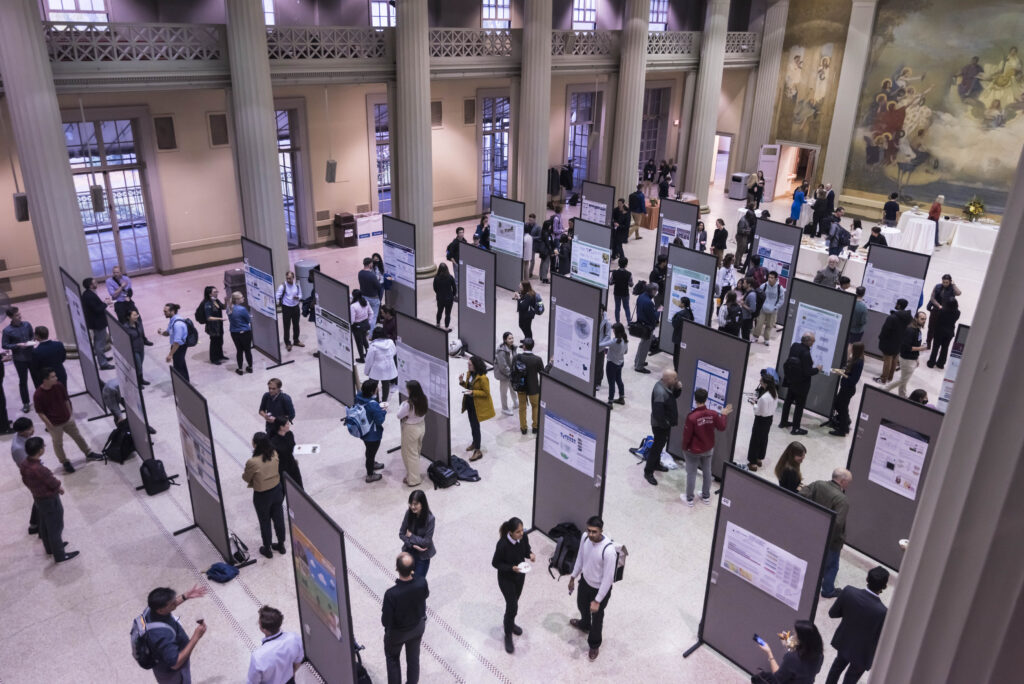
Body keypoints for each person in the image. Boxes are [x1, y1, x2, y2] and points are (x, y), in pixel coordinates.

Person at [824, 566, 890, 684]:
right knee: (851, 679)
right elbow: (881, 638)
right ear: (884, 587)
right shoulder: (883, 612)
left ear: (867, 579)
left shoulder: (849, 591)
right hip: (863, 653)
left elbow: (832, 613)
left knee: (837, 667)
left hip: (844, 642)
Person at [19, 436, 79, 563]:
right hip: (49, 499)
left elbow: (24, 480)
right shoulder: (40, 469)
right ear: (40, 450)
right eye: (43, 446)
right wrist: (59, 488)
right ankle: (60, 555)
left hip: (38, 498)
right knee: (56, 527)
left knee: (45, 524)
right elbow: (52, 482)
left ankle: (50, 548)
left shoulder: (24, 464)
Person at [34, 368, 102, 472]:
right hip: (54, 424)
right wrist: (49, 424)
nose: (56, 378)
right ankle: (64, 461)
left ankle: (88, 453)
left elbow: (66, 400)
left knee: (78, 436)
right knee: (58, 443)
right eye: (53, 377)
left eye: (55, 376)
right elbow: (40, 412)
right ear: (45, 380)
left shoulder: (59, 386)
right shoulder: (38, 394)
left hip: (67, 419)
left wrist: (70, 415)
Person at [568, 516, 616, 661]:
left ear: (601, 531)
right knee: (582, 606)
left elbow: (608, 579)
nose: (590, 534)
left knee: (597, 618)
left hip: (599, 590)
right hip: (585, 583)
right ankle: (584, 623)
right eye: (588, 530)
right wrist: (573, 577)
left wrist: (597, 600)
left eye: (594, 532)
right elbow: (580, 559)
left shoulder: (609, 551)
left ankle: (594, 644)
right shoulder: (585, 538)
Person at [802, 468, 853, 598]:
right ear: (842, 481)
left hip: (810, 532)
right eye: (848, 482)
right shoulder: (842, 500)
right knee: (832, 566)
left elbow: (801, 496)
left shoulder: (818, 484)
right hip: (830, 542)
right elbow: (837, 525)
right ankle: (828, 590)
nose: (849, 485)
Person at [142, 585, 208, 683]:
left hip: (164, 659)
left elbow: (169, 604)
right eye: (172, 603)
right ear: (160, 610)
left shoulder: (150, 609)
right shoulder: (162, 635)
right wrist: (196, 637)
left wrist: (185, 596)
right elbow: (175, 663)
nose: (175, 603)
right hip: (172, 674)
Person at [382, 552, 429, 684]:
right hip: (417, 628)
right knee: (413, 660)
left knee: (393, 659)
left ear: (397, 569)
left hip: (398, 634)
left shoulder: (391, 594)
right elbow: (425, 596)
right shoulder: (422, 582)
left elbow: (385, 621)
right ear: (413, 569)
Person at [681, 388, 734, 505]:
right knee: (707, 472)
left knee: (691, 473)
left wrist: (684, 447)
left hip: (693, 451)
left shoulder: (692, 417)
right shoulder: (713, 414)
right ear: (706, 399)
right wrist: (723, 415)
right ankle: (706, 497)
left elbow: (687, 436)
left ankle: (689, 499)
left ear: (695, 399)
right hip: (708, 449)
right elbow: (722, 427)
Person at [491, 516, 535, 654]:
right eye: (518, 532)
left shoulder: (523, 537)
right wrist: (511, 568)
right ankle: (508, 633)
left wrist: (530, 554)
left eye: (522, 530)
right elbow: (495, 563)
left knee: (514, 603)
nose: (521, 534)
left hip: (520, 576)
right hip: (506, 579)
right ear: (510, 532)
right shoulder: (502, 544)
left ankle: (511, 622)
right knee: (512, 606)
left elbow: (526, 549)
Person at [242, 433, 286, 559]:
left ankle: (267, 549)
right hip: (277, 490)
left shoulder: (253, 462)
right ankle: (281, 545)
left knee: (264, 521)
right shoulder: (274, 453)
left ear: (256, 444)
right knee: (279, 518)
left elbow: (246, 478)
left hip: (262, 495)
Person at [246, 605, 304, 684]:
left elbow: (252, 682)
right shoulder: (294, 638)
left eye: (259, 624)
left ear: (264, 630)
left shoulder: (258, 657)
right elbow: (298, 661)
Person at [755, 619, 825, 684]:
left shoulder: (791, 658)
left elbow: (777, 679)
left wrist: (769, 652)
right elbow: (812, 671)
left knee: (758, 678)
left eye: (795, 635)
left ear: (802, 640)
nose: (793, 636)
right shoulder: (819, 655)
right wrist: (788, 646)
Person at [644, 368, 682, 486]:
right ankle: (648, 471)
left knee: (660, 444)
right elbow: (657, 413)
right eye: (675, 378)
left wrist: (679, 388)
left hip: (664, 424)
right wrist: (666, 423)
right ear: (668, 379)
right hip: (659, 426)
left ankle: (656, 464)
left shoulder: (667, 385)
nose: (677, 380)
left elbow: (672, 397)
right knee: (657, 446)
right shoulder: (660, 392)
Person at [779, 332, 822, 435]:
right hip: (801, 384)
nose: (814, 342)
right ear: (808, 341)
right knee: (799, 406)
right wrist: (817, 369)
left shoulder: (794, 346)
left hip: (791, 380)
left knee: (788, 401)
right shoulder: (806, 354)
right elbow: (807, 372)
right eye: (813, 340)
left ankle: (783, 422)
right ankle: (796, 428)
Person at [458, 355, 494, 462]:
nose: (468, 366)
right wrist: (461, 382)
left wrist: (473, 392)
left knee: (476, 427)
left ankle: (478, 450)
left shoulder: (483, 378)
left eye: (470, 364)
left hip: (477, 406)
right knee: (472, 425)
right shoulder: (470, 374)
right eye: (468, 364)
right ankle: (474, 442)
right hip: (469, 403)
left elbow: (486, 393)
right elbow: (469, 387)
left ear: (475, 365)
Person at [885, 310, 927, 398]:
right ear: (916, 318)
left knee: (905, 379)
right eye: (922, 319)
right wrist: (922, 348)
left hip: (912, 359)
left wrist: (917, 357)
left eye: (925, 319)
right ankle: (884, 389)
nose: (924, 321)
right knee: (903, 380)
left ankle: (902, 395)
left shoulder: (918, 329)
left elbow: (916, 344)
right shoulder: (910, 331)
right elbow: (906, 347)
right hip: (907, 360)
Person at [3, 307, 39, 408]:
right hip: (20, 359)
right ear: (11, 317)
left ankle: (40, 400)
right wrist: (17, 345)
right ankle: (26, 403)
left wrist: (32, 341)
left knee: (36, 378)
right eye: (17, 315)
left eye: (19, 314)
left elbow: (32, 336)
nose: (20, 316)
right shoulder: (7, 331)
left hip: (31, 355)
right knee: (23, 381)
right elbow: (5, 345)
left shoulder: (27, 325)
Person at [828, 342, 865, 437]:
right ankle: (845, 422)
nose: (851, 349)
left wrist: (842, 374)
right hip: (846, 388)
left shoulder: (858, 362)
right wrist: (839, 371)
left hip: (848, 389)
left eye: (853, 348)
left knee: (841, 407)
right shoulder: (856, 359)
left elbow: (853, 379)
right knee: (838, 405)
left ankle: (843, 430)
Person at [355, 379, 387, 483]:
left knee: (369, 451)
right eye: (376, 388)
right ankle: (370, 474)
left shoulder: (358, 397)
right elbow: (379, 420)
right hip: (372, 434)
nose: (378, 389)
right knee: (370, 453)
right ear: (372, 391)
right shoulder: (373, 405)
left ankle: (372, 463)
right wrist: (383, 411)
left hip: (363, 431)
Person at [397, 381, 428, 486]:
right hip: (421, 426)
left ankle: (414, 479)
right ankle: (411, 475)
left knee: (409, 454)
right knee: (416, 451)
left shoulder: (408, 404)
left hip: (410, 429)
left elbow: (399, 415)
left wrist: (403, 404)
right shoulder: (424, 399)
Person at [11, 417, 39, 533]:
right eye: (30, 429)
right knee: (40, 499)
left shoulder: (24, 437)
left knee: (38, 499)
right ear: (21, 432)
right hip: (32, 476)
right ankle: (34, 526)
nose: (33, 430)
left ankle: (34, 525)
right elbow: (27, 467)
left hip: (35, 471)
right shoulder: (18, 448)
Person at [80, 278, 115, 371]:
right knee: (99, 343)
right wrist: (105, 303)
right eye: (94, 282)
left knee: (99, 341)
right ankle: (103, 363)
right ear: (90, 285)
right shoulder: (89, 296)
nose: (97, 283)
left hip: (96, 322)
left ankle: (102, 357)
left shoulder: (88, 293)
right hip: (97, 323)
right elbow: (97, 309)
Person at [747, 371, 779, 471]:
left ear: (765, 383)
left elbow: (759, 412)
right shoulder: (774, 394)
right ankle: (759, 458)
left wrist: (754, 404)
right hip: (769, 420)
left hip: (761, 420)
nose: (760, 382)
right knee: (763, 439)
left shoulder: (764, 398)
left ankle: (752, 463)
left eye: (761, 381)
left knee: (755, 440)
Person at [400, 490, 436, 578]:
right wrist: (413, 546)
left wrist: (411, 536)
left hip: (423, 556)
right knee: (407, 579)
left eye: (415, 504)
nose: (412, 507)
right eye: (410, 504)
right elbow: (401, 533)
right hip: (409, 551)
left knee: (418, 581)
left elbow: (427, 542)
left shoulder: (430, 519)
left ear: (422, 503)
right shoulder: (408, 513)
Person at [875, 299, 910, 384]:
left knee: (887, 360)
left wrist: (881, 338)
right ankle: (890, 377)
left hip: (889, 342)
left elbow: (885, 330)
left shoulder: (892, 317)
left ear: (898, 305)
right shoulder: (908, 317)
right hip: (899, 342)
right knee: (894, 359)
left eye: (896, 303)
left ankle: (883, 379)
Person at [515, 338, 544, 435]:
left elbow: (513, 372)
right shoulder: (537, 359)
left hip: (521, 387)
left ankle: (523, 429)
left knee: (522, 407)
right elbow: (543, 374)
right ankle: (535, 427)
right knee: (535, 406)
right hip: (534, 387)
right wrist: (551, 364)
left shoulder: (517, 357)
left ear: (524, 346)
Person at [926, 274, 962, 348]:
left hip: (946, 312)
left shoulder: (952, 288)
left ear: (950, 282)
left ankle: (939, 345)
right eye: (943, 282)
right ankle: (928, 343)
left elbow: (959, 293)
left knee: (942, 329)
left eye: (946, 282)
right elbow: (932, 298)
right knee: (931, 327)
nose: (945, 284)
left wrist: (954, 284)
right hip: (936, 309)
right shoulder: (937, 286)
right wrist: (939, 305)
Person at [157, 303, 189, 381]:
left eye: (166, 311)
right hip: (176, 346)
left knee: (178, 367)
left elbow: (177, 342)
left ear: (172, 311)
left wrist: (170, 355)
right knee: (181, 365)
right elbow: (168, 333)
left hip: (179, 347)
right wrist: (161, 332)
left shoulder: (177, 324)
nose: (164, 313)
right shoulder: (172, 320)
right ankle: (186, 381)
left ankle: (183, 385)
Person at [752, 271, 785, 346]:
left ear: (776, 279)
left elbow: (781, 300)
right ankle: (755, 336)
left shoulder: (780, 288)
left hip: (773, 310)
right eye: (769, 277)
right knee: (759, 324)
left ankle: (766, 339)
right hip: (763, 309)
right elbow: (759, 295)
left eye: (772, 278)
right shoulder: (764, 286)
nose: (770, 279)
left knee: (769, 326)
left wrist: (776, 307)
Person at [365, 328, 399, 402]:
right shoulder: (390, 342)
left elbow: (369, 360)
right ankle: (384, 401)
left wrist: (367, 371)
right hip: (388, 367)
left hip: (377, 368)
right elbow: (394, 352)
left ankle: (376, 401)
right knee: (386, 385)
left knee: (373, 385)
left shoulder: (373, 346)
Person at [633, 283, 660, 373]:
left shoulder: (641, 296)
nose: (656, 292)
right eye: (656, 290)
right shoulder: (648, 302)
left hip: (641, 323)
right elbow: (653, 317)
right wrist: (658, 311)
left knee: (642, 344)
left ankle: (637, 361)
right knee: (645, 346)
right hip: (647, 327)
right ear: (652, 291)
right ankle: (639, 366)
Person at [269, 417, 302, 489]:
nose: (289, 425)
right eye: (287, 424)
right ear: (281, 427)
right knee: (285, 488)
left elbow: (292, 446)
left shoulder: (289, 434)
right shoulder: (274, 441)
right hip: (282, 468)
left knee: (299, 486)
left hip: (292, 464)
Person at [275, 270, 303, 351]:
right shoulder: (282, 286)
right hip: (286, 308)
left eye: (290, 278)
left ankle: (296, 340)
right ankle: (287, 343)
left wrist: (298, 297)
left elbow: (301, 294)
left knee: (296, 325)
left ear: (293, 278)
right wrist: (277, 303)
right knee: (287, 326)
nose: (288, 280)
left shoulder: (297, 285)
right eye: (287, 278)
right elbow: (277, 296)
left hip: (295, 307)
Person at [928, 298, 959, 369]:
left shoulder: (942, 311)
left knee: (935, 347)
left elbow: (937, 319)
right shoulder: (958, 312)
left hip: (939, 331)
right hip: (949, 332)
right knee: (945, 348)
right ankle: (941, 364)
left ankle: (931, 363)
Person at [228, 291, 254, 375]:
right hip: (245, 332)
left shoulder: (229, 308)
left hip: (234, 333)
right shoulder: (242, 309)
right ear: (237, 300)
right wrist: (249, 317)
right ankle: (250, 368)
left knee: (239, 351)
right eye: (242, 297)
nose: (244, 298)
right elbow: (248, 320)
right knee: (247, 350)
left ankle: (240, 369)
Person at [494, 332, 519, 416]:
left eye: (512, 338)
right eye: (509, 338)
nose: (512, 340)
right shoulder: (501, 351)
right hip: (504, 375)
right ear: (505, 340)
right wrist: (510, 374)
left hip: (511, 373)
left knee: (512, 388)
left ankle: (516, 403)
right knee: (504, 393)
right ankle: (504, 408)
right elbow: (503, 366)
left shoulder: (513, 348)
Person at [201, 286, 228, 365]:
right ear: (210, 294)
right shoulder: (207, 304)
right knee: (214, 342)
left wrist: (226, 301)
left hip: (219, 325)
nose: (217, 293)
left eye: (217, 291)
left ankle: (220, 355)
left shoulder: (216, 300)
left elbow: (223, 307)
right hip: (213, 327)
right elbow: (209, 317)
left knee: (220, 341)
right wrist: (219, 319)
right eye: (215, 292)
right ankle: (214, 358)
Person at [122, 311, 150, 386]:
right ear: (128, 317)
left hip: (141, 348)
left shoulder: (138, 324)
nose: (136, 316)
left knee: (140, 365)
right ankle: (138, 382)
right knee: (138, 366)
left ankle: (141, 380)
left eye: (137, 315)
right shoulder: (126, 328)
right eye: (134, 315)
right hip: (134, 350)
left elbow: (142, 335)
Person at [605, 323, 629, 407]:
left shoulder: (614, 341)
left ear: (616, 331)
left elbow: (601, 344)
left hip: (611, 364)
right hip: (620, 363)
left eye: (613, 330)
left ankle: (610, 402)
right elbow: (626, 352)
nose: (613, 331)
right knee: (619, 380)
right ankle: (621, 397)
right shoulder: (625, 339)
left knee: (611, 383)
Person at [358, 258, 383, 329]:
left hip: (364, 297)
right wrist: (378, 280)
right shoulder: (372, 275)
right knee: (373, 316)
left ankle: (365, 330)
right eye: (372, 263)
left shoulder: (360, 273)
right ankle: (370, 334)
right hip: (373, 299)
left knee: (366, 315)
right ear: (369, 264)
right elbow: (378, 286)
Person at [671, 297, 694, 370]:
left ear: (683, 304)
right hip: (684, 337)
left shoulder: (680, 314)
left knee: (676, 355)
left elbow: (675, 324)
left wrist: (673, 317)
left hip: (678, 337)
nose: (679, 303)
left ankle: (676, 370)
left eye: (680, 302)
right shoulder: (689, 313)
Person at [350, 290, 372, 363]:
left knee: (359, 342)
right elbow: (371, 313)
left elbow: (352, 320)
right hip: (365, 323)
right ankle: (369, 354)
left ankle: (362, 358)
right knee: (364, 339)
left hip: (357, 326)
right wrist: (368, 322)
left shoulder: (353, 306)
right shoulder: (365, 302)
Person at [432, 263, 456, 331]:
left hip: (440, 298)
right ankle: (446, 327)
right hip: (449, 298)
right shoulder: (450, 277)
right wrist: (452, 295)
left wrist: (439, 293)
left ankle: (437, 324)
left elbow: (435, 288)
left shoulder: (436, 278)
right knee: (448, 313)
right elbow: (454, 288)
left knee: (439, 311)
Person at [609, 257, 633, 324]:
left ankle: (617, 322)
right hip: (625, 293)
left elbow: (610, 283)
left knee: (617, 308)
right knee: (626, 308)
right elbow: (631, 284)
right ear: (626, 265)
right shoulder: (629, 274)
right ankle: (629, 322)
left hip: (617, 293)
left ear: (618, 264)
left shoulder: (615, 273)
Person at [735, 204, 755, 270]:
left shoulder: (747, 219)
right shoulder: (742, 220)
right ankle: (736, 263)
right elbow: (740, 230)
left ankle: (739, 261)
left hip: (744, 237)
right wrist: (747, 230)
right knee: (739, 250)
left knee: (742, 250)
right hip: (741, 237)